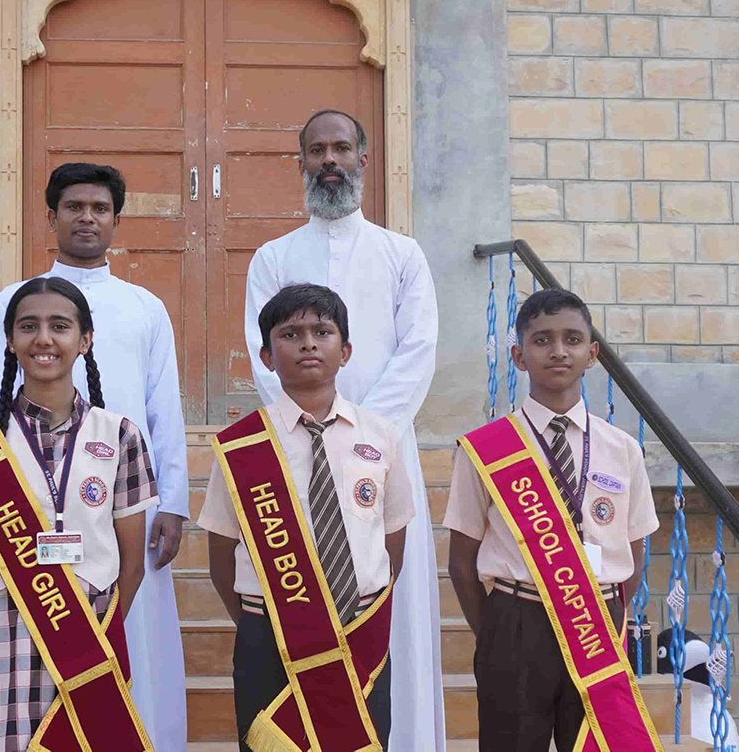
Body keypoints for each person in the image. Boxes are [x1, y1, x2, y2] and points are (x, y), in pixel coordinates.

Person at [242, 109, 442, 750]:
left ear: (363, 157)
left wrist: (365, 433)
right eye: (317, 150)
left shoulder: (402, 254)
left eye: (342, 148)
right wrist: (315, 424)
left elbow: (420, 349)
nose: (330, 160)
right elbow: (261, 351)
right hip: (292, 452)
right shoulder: (273, 258)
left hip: (384, 452)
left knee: (387, 607)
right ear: (299, 163)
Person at [0, 162, 189, 748]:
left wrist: (174, 502)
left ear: (116, 220)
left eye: (99, 209)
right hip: (27, 504)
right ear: (52, 216)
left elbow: (163, 407)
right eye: (74, 207)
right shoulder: (10, 302)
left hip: (121, 501)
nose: (86, 218)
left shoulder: (146, 306)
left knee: (127, 630)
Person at [0, 276, 156, 751]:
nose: (43, 339)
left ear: (85, 340)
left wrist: (92, 626)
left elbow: (133, 564)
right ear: (11, 340)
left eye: (60, 326)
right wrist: (1, 608)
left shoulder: (120, 435)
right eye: (28, 326)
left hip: (89, 625)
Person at [444, 288, 661, 752]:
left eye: (572, 339)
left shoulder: (623, 449)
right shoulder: (485, 450)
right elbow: (461, 561)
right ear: (519, 356)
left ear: (592, 354)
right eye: (542, 341)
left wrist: (602, 609)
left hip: (598, 622)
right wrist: (498, 633)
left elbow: (635, 551)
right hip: (515, 619)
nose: (559, 351)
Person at [201, 284, 412, 752]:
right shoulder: (241, 445)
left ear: (346, 351)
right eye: (291, 333)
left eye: (323, 331)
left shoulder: (381, 435)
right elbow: (220, 554)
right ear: (267, 356)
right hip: (270, 635)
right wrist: (279, 619)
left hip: (360, 630)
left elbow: (392, 538)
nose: (309, 343)